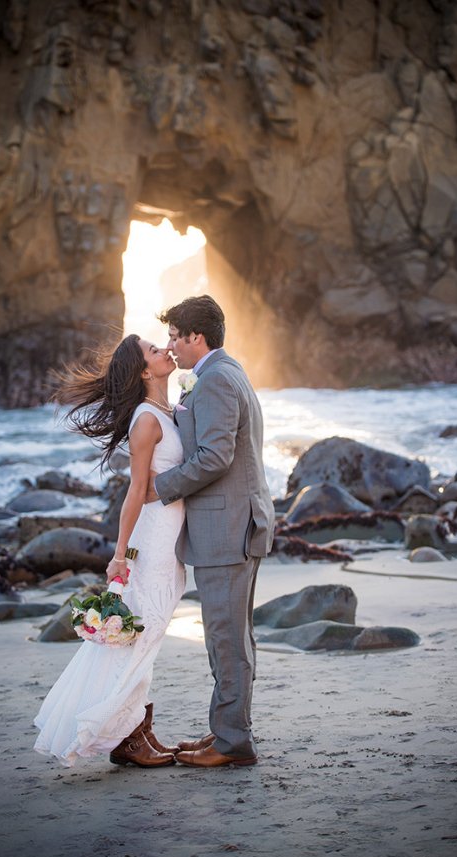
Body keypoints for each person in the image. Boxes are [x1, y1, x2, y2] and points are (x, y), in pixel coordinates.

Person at [34, 334, 186, 768]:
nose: (164, 350)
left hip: (169, 538)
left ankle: (136, 731)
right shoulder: (146, 421)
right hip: (151, 539)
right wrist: (120, 555)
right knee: (144, 632)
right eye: (153, 351)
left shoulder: (167, 412)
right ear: (143, 371)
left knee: (148, 633)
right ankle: (126, 737)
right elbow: (135, 492)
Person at [149, 294, 275, 768]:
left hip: (229, 529)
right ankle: (225, 730)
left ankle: (232, 742)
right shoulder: (224, 373)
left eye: (175, 338)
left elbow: (216, 457)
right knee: (228, 634)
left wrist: (158, 488)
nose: (171, 347)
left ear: (195, 337)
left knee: (227, 637)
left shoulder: (217, 380)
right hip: (233, 525)